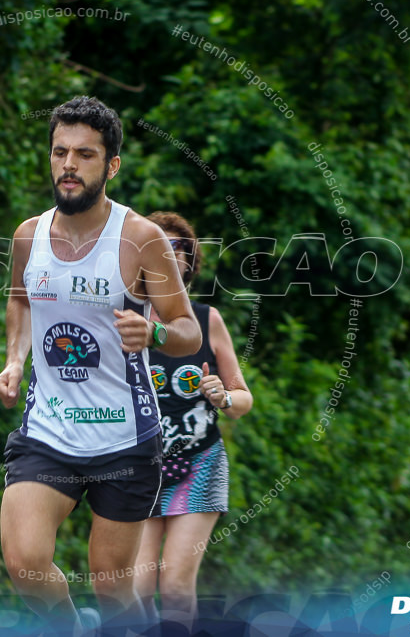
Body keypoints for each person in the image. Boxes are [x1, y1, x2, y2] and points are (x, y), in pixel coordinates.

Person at [0, 96, 202, 634]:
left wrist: (154, 331)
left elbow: (187, 331)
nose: (68, 165)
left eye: (84, 155)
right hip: (49, 430)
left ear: (110, 166)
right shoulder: (28, 235)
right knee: (25, 563)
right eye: (59, 152)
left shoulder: (141, 241)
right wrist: (15, 360)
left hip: (124, 437)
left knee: (112, 586)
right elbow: (19, 299)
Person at [132, 211, 253, 631]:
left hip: (198, 465)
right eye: (157, 245)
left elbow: (243, 398)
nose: (169, 252)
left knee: (177, 586)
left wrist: (223, 395)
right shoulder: (123, 320)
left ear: (189, 261)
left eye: (178, 246)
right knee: (136, 586)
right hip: (138, 470)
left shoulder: (207, 320)